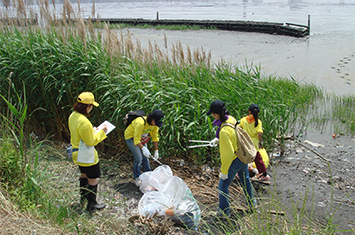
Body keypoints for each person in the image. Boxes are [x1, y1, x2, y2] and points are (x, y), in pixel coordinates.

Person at [207, 100, 256, 217]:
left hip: (234, 159)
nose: (212, 115)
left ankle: (224, 212)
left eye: (213, 114)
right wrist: (218, 140)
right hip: (241, 156)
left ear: (216, 114)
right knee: (245, 180)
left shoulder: (223, 132)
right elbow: (233, 136)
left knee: (222, 186)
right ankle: (252, 204)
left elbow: (227, 155)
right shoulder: (231, 119)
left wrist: (224, 172)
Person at [68, 92, 108, 212]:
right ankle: (92, 204)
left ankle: (83, 199)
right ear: (87, 106)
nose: (91, 109)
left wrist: (92, 130)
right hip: (87, 156)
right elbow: (91, 142)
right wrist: (102, 132)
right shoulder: (84, 122)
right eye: (91, 106)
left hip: (76, 153)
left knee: (83, 175)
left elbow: (81, 133)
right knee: (93, 179)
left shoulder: (73, 116)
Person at [124, 109, 164, 187]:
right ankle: (137, 177)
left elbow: (155, 137)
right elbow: (136, 140)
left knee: (146, 156)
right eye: (156, 122)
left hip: (141, 136)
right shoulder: (140, 123)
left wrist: (156, 150)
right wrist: (143, 148)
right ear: (152, 119)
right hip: (130, 136)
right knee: (138, 157)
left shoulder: (155, 125)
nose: (156, 125)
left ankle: (148, 173)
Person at [238, 104, 270, 181]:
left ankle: (241, 174)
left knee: (243, 158)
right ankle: (264, 174)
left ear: (249, 111)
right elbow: (259, 133)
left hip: (245, 142)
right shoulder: (258, 122)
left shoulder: (243, 120)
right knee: (258, 159)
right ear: (258, 113)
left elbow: (239, 128)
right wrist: (258, 140)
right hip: (254, 144)